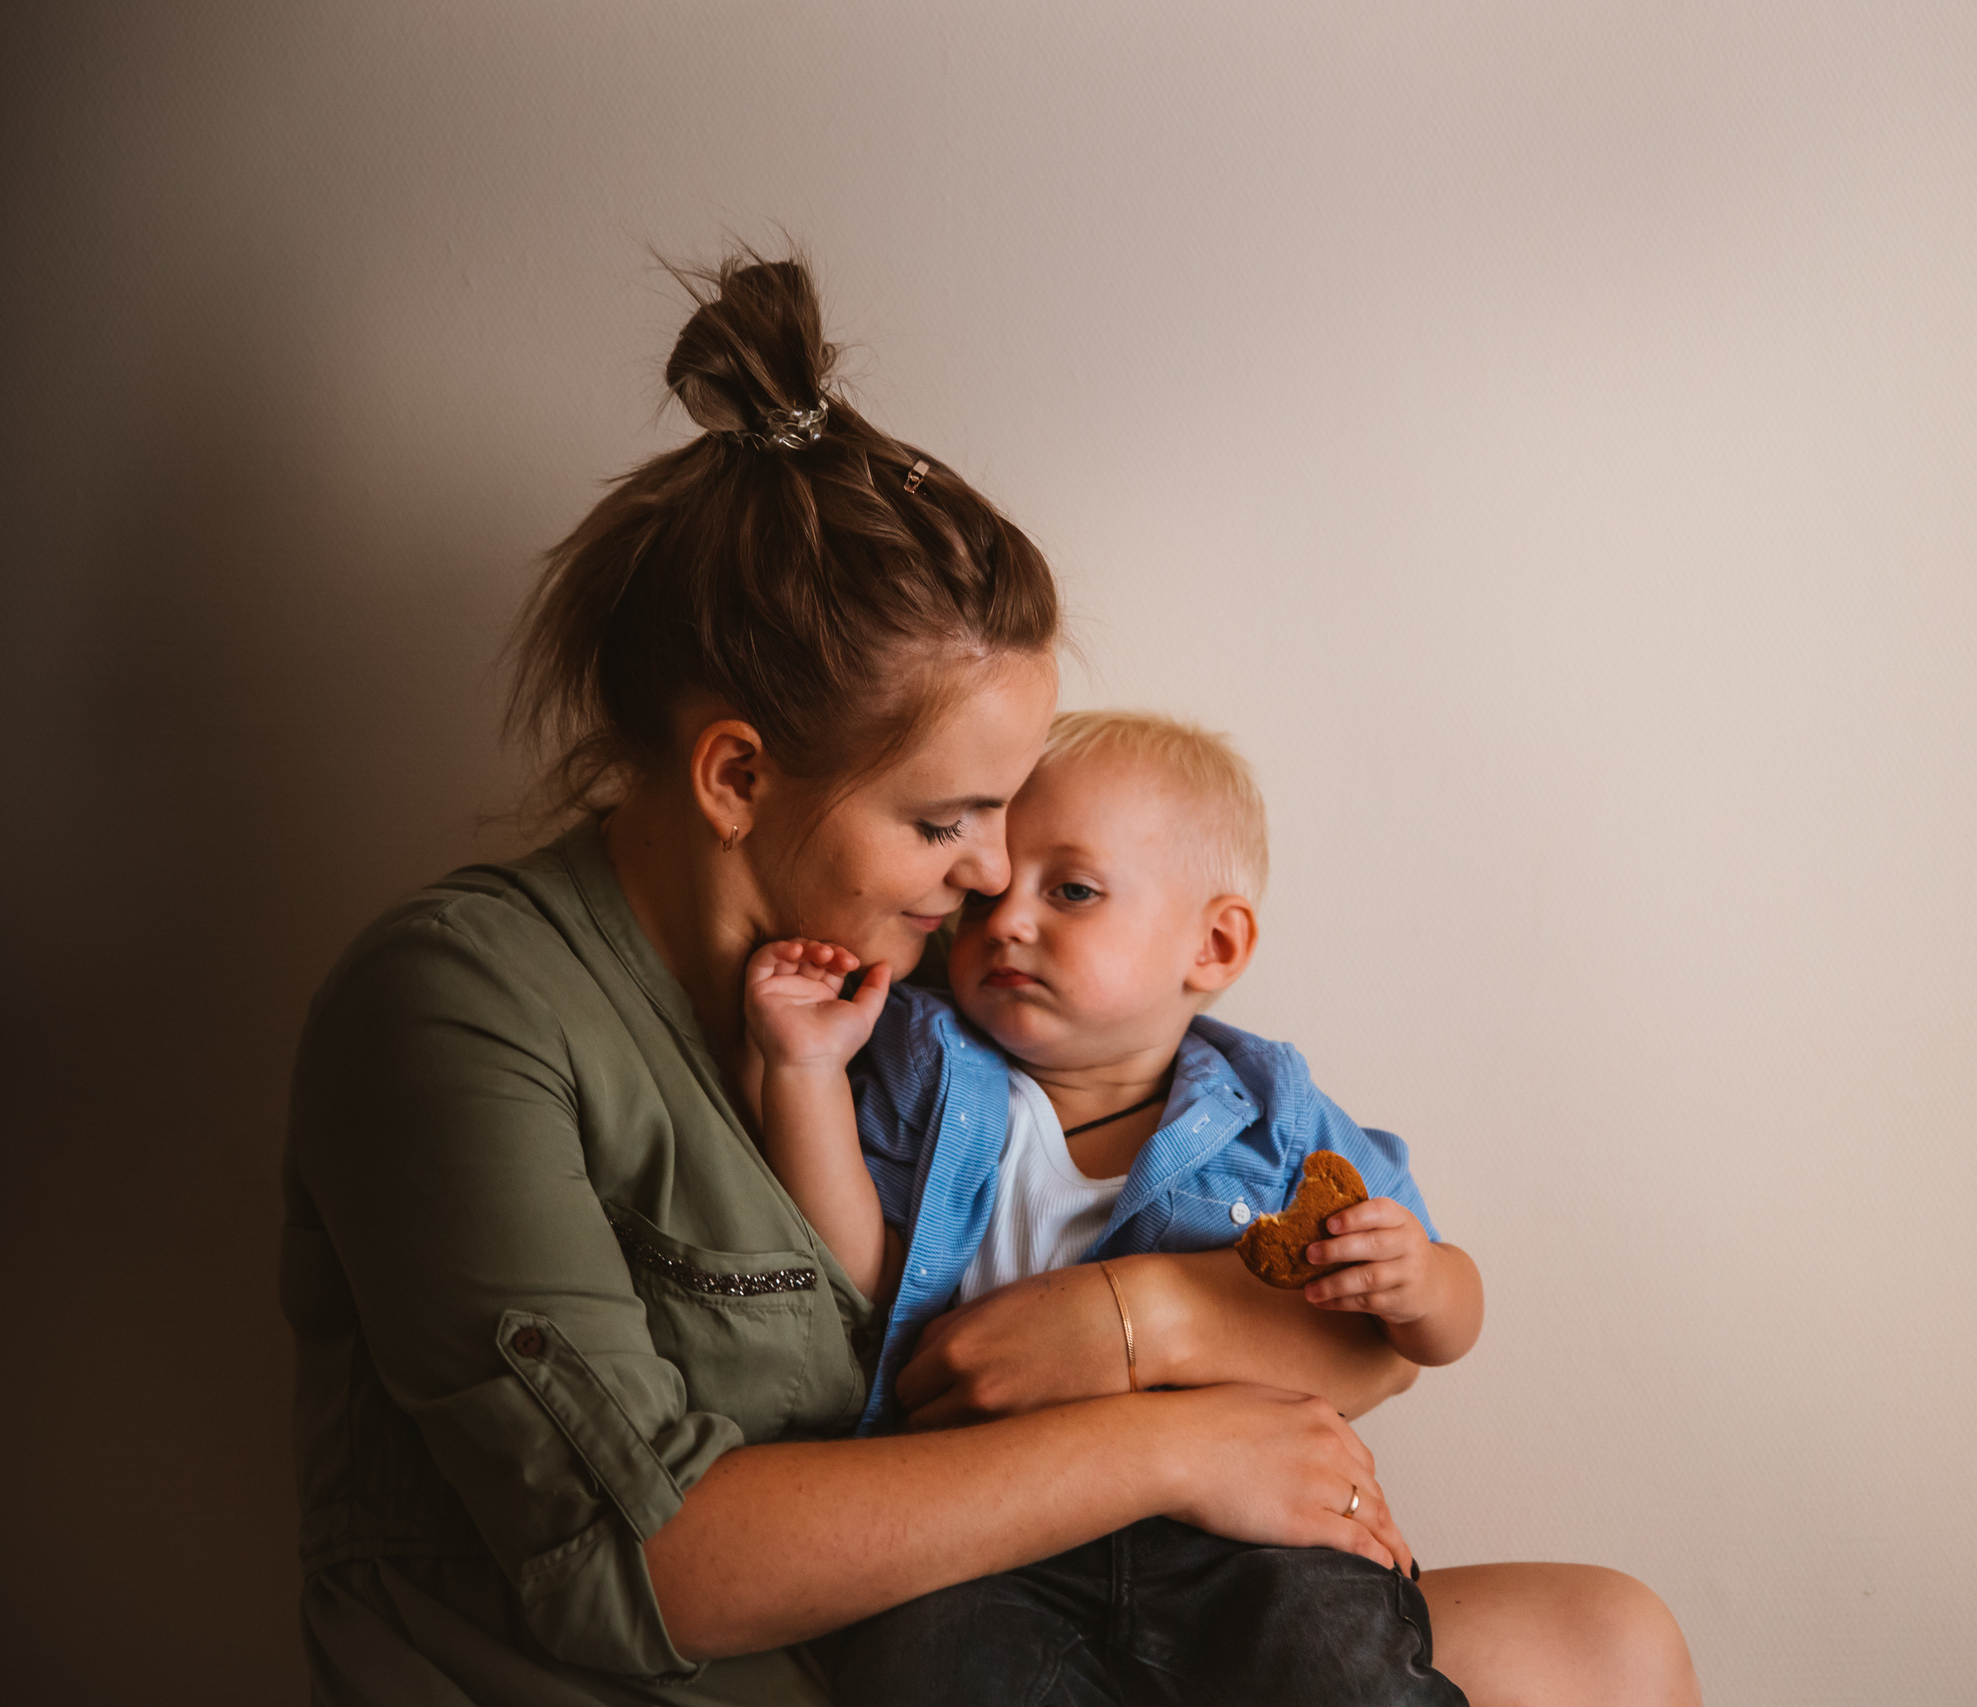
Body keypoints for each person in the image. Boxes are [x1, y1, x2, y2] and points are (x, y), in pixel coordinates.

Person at [281, 250, 1700, 1706]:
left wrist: (1134, 1323)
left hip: (1067, 1614)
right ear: (737, 775)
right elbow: (644, 1562)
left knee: (1609, 1643)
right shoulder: (458, 1010)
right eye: (944, 821)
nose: (988, 883)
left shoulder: (938, 1002)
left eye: (1020, 833)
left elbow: (1366, 1350)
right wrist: (1172, 1440)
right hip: (778, 1668)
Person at [740, 711, 1481, 1703]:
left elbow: (1438, 1327)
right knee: (918, 1670)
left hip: (1238, 1535)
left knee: (1338, 1654)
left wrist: (1420, 1280)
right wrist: (806, 1072)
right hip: (983, 1534)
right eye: (988, 899)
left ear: (1213, 945)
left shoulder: (1275, 1118)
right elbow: (854, 1271)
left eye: (1072, 891)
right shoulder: (925, 1071)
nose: (1005, 920)